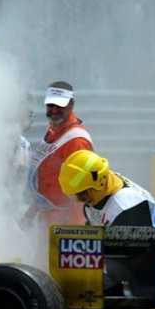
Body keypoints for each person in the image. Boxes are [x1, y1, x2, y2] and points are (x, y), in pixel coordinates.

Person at [58, 149, 155, 259]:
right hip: (122, 228)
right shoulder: (101, 183)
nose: (78, 200)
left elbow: (123, 254)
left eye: (81, 194)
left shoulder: (126, 205)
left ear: (98, 186)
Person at [27, 81, 94, 229]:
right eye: (51, 105)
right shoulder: (53, 130)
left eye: (60, 106)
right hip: (48, 217)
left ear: (72, 105)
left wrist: (72, 229)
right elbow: (47, 180)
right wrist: (32, 212)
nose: (54, 110)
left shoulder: (77, 140)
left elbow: (80, 191)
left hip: (67, 223)